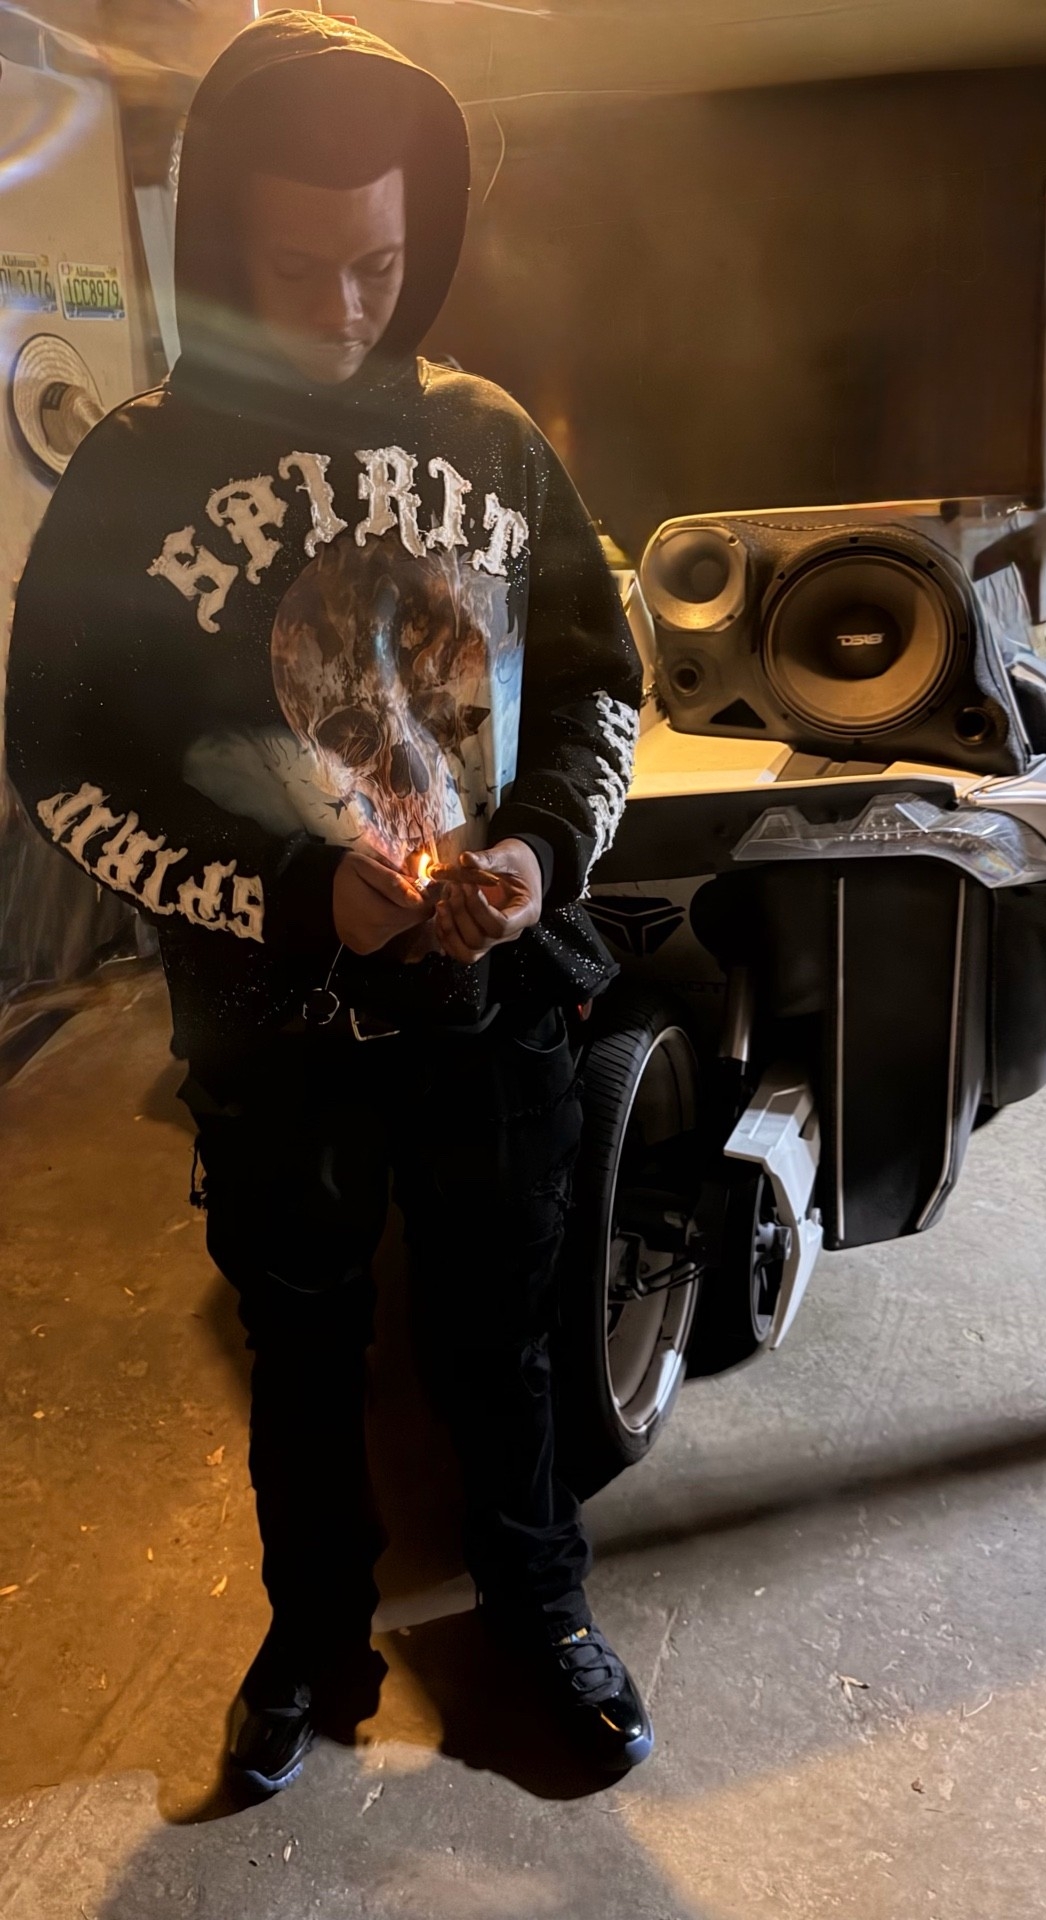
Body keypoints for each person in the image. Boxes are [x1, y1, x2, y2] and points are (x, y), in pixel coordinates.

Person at [5, 10, 649, 1794]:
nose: (344, 310)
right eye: (297, 271)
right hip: (270, 1024)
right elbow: (60, 766)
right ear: (222, 241)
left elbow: (596, 687)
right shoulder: (137, 465)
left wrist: (542, 852)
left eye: (379, 265)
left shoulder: (491, 434)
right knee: (299, 1347)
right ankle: (311, 1637)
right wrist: (294, 896)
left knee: (502, 1332)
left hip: (490, 1001)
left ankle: (535, 1607)